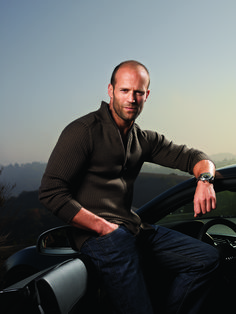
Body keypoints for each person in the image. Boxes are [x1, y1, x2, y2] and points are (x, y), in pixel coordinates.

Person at [39, 60, 219, 314]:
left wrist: (205, 181)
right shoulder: (83, 131)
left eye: (138, 92)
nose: (131, 98)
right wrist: (105, 228)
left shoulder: (143, 139)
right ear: (111, 90)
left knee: (206, 258)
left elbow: (195, 158)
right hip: (100, 238)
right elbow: (51, 191)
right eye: (124, 90)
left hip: (135, 228)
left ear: (147, 95)